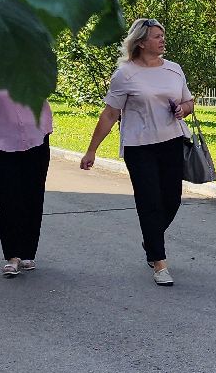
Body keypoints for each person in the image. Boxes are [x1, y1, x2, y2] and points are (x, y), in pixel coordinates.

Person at [82, 18, 195, 286]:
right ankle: (159, 262)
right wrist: (91, 150)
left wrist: (183, 109)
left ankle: (150, 238)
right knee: (149, 202)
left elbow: (189, 101)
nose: (162, 40)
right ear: (141, 42)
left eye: (162, 35)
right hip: (139, 146)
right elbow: (110, 114)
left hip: (171, 142)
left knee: (172, 200)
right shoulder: (125, 74)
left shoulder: (174, 69)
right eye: (157, 36)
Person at [0, 71, 55, 278]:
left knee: (33, 198)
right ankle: (12, 256)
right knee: (9, 200)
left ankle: (28, 253)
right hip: (2, 146)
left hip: (36, 143)